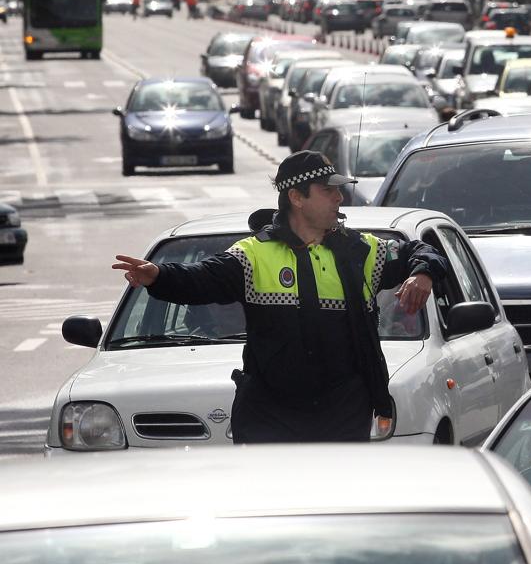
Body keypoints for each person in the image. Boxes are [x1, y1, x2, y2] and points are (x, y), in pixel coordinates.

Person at [111, 151, 449, 443]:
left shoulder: (361, 252)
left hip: (343, 414)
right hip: (271, 417)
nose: (339, 199)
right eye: (328, 190)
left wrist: (422, 273)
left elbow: (424, 250)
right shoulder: (253, 255)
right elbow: (202, 280)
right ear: (297, 198)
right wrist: (159, 276)